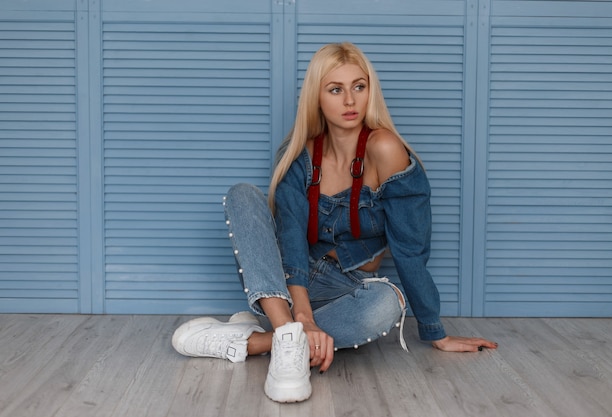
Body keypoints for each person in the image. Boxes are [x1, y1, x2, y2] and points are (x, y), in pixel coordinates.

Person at [171, 42, 498, 403]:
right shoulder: (298, 155)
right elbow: (292, 241)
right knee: (243, 194)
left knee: (389, 301)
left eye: (359, 86)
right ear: (317, 97)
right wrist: (303, 317)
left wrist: (435, 331)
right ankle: (289, 332)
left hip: (346, 286)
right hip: (287, 280)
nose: (350, 101)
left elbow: (410, 247)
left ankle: (259, 342)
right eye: (335, 89)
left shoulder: (385, 149)